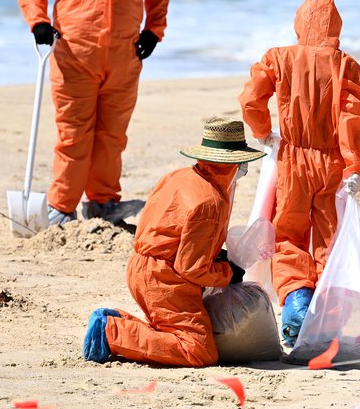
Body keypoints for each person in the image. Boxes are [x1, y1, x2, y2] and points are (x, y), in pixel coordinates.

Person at [16, 0, 171, 225]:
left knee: (112, 135)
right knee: (74, 134)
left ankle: (103, 203)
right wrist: (39, 22)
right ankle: (62, 207)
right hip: (74, 56)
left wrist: (153, 30)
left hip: (125, 58)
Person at [238, 0, 360, 346]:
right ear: (336, 27)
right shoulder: (347, 65)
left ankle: (296, 301)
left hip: (293, 158)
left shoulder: (278, 57)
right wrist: (354, 164)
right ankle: (324, 319)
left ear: (299, 23)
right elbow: (352, 118)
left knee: (288, 235)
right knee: (330, 239)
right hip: (332, 161)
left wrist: (264, 133)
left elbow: (251, 99)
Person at [82, 117, 265, 366]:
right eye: (242, 163)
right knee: (198, 351)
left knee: (173, 330)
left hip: (142, 267)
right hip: (163, 280)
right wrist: (226, 272)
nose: (243, 169)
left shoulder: (178, 176)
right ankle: (111, 331)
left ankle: (114, 320)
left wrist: (214, 254)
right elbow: (191, 268)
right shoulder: (211, 201)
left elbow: (173, 233)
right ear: (232, 163)